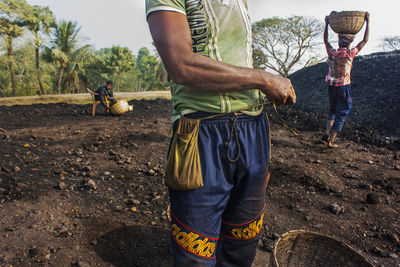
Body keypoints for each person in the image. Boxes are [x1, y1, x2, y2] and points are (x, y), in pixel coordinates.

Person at [145, 1, 296, 266]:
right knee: (196, 251)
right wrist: (264, 79)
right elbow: (181, 65)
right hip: (202, 131)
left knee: (243, 238)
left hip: (253, 128)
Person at [323, 12, 370, 147]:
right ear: (349, 44)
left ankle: (326, 133)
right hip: (343, 87)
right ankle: (331, 141)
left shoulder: (331, 53)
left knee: (332, 110)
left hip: (331, 86)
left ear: (339, 42)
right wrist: (367, 22)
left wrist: (326, 24)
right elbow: (364, 40)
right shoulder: (350, 54)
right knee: (342, 112)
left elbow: (325, 41)